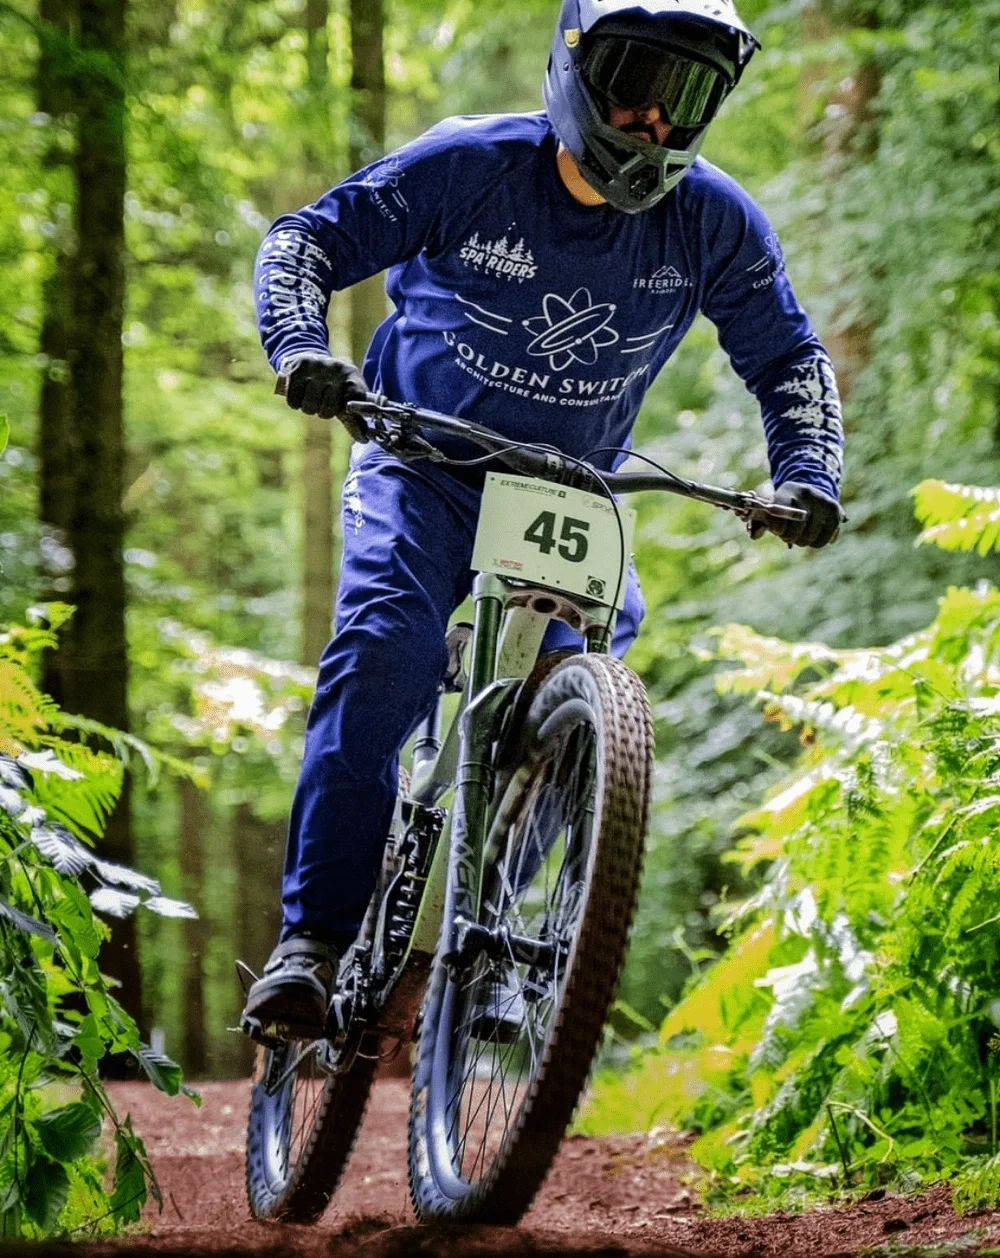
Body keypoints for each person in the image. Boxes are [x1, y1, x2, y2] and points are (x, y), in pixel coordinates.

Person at [241, 0, 846, 1042]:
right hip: (420, 467)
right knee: (383, 649)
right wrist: (301, 350)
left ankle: (498, 940)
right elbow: (304, 240)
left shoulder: (712, 219)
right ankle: (314, 940)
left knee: (580, 716)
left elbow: (787, 356)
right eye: (631, 82)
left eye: (687, 95)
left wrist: (806, 473)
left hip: (569, 496)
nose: (654, 120)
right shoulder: (468, 165)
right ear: (574, 67)